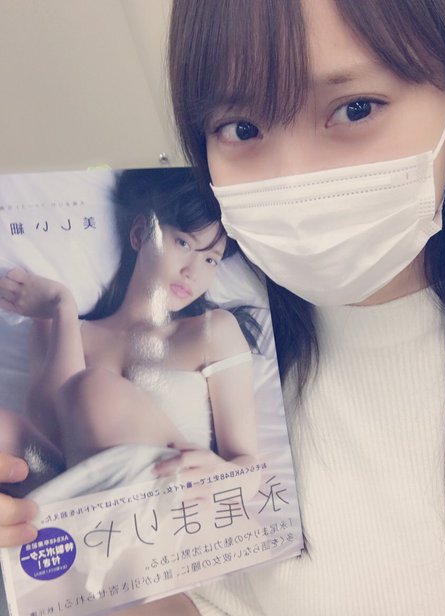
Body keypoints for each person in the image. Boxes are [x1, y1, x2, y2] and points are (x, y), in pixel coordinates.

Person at [1, 1, 445, 616]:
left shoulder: (219, 336)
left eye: (356, 108)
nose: (291, 175)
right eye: (242, 127)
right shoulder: (267, 357)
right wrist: (50, 547)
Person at [0, 167, 259, 503]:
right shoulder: (58, 328)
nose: (192, 272)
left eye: (211, 260)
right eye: (183, 243)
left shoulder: (213, 330)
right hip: (81, 500)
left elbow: (248, 467)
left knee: (95, 389)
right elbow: (50, 432)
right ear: (139, 234)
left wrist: (220, 475)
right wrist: (62, 307)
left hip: (176, 501)